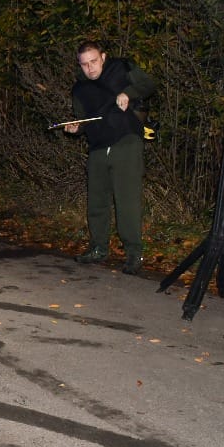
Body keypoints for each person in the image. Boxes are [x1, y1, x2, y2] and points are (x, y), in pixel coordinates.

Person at [64, 40, 156, 275]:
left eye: (94, 61)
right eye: (84, 64)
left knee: (127, 200)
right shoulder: (79, 89)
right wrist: (76, 128)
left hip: (126, 140)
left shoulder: (121, 68)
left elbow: (148, 84)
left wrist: (127, 93)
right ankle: (98, 248)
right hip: (97, 147)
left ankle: (134, 253)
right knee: (96, 201)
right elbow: (83, 121)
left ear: (103, 57)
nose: (90, 68)